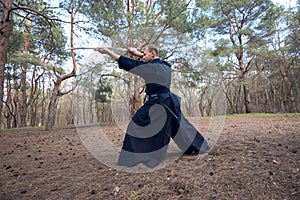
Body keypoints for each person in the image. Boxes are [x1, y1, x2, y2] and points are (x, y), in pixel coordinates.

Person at [96, 45, 209, 168]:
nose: (142, 56)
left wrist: (107, 52)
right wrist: (139, 54)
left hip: (158, 103)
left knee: (136, 124)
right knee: (180, 126)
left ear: (153, 54)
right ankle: (199, 145)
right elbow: (149, 61)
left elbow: (131, 64)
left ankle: (135, 156)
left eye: (144, 54)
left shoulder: (152, 68)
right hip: (169, 102)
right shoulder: (165, 66)